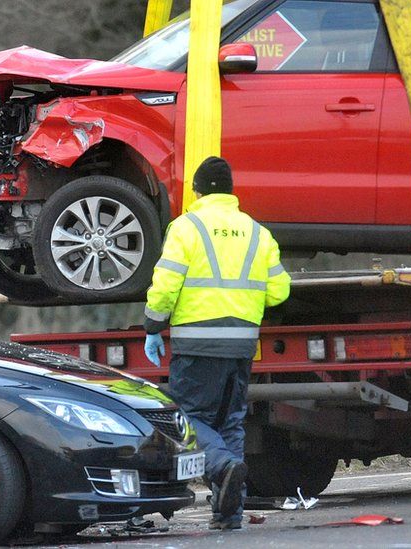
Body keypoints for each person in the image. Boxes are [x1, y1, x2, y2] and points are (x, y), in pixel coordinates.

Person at [143, 156, 291, 530]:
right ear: (230, 191)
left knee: (189, 420)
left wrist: (153, 326)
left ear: (196, 190)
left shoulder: (186, 227)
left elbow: (166, 284)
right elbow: (279, 291)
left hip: (197, 346)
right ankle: (229, 514)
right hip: (241, 347)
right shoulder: (257, 232)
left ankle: (223, 467)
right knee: (231, 425)